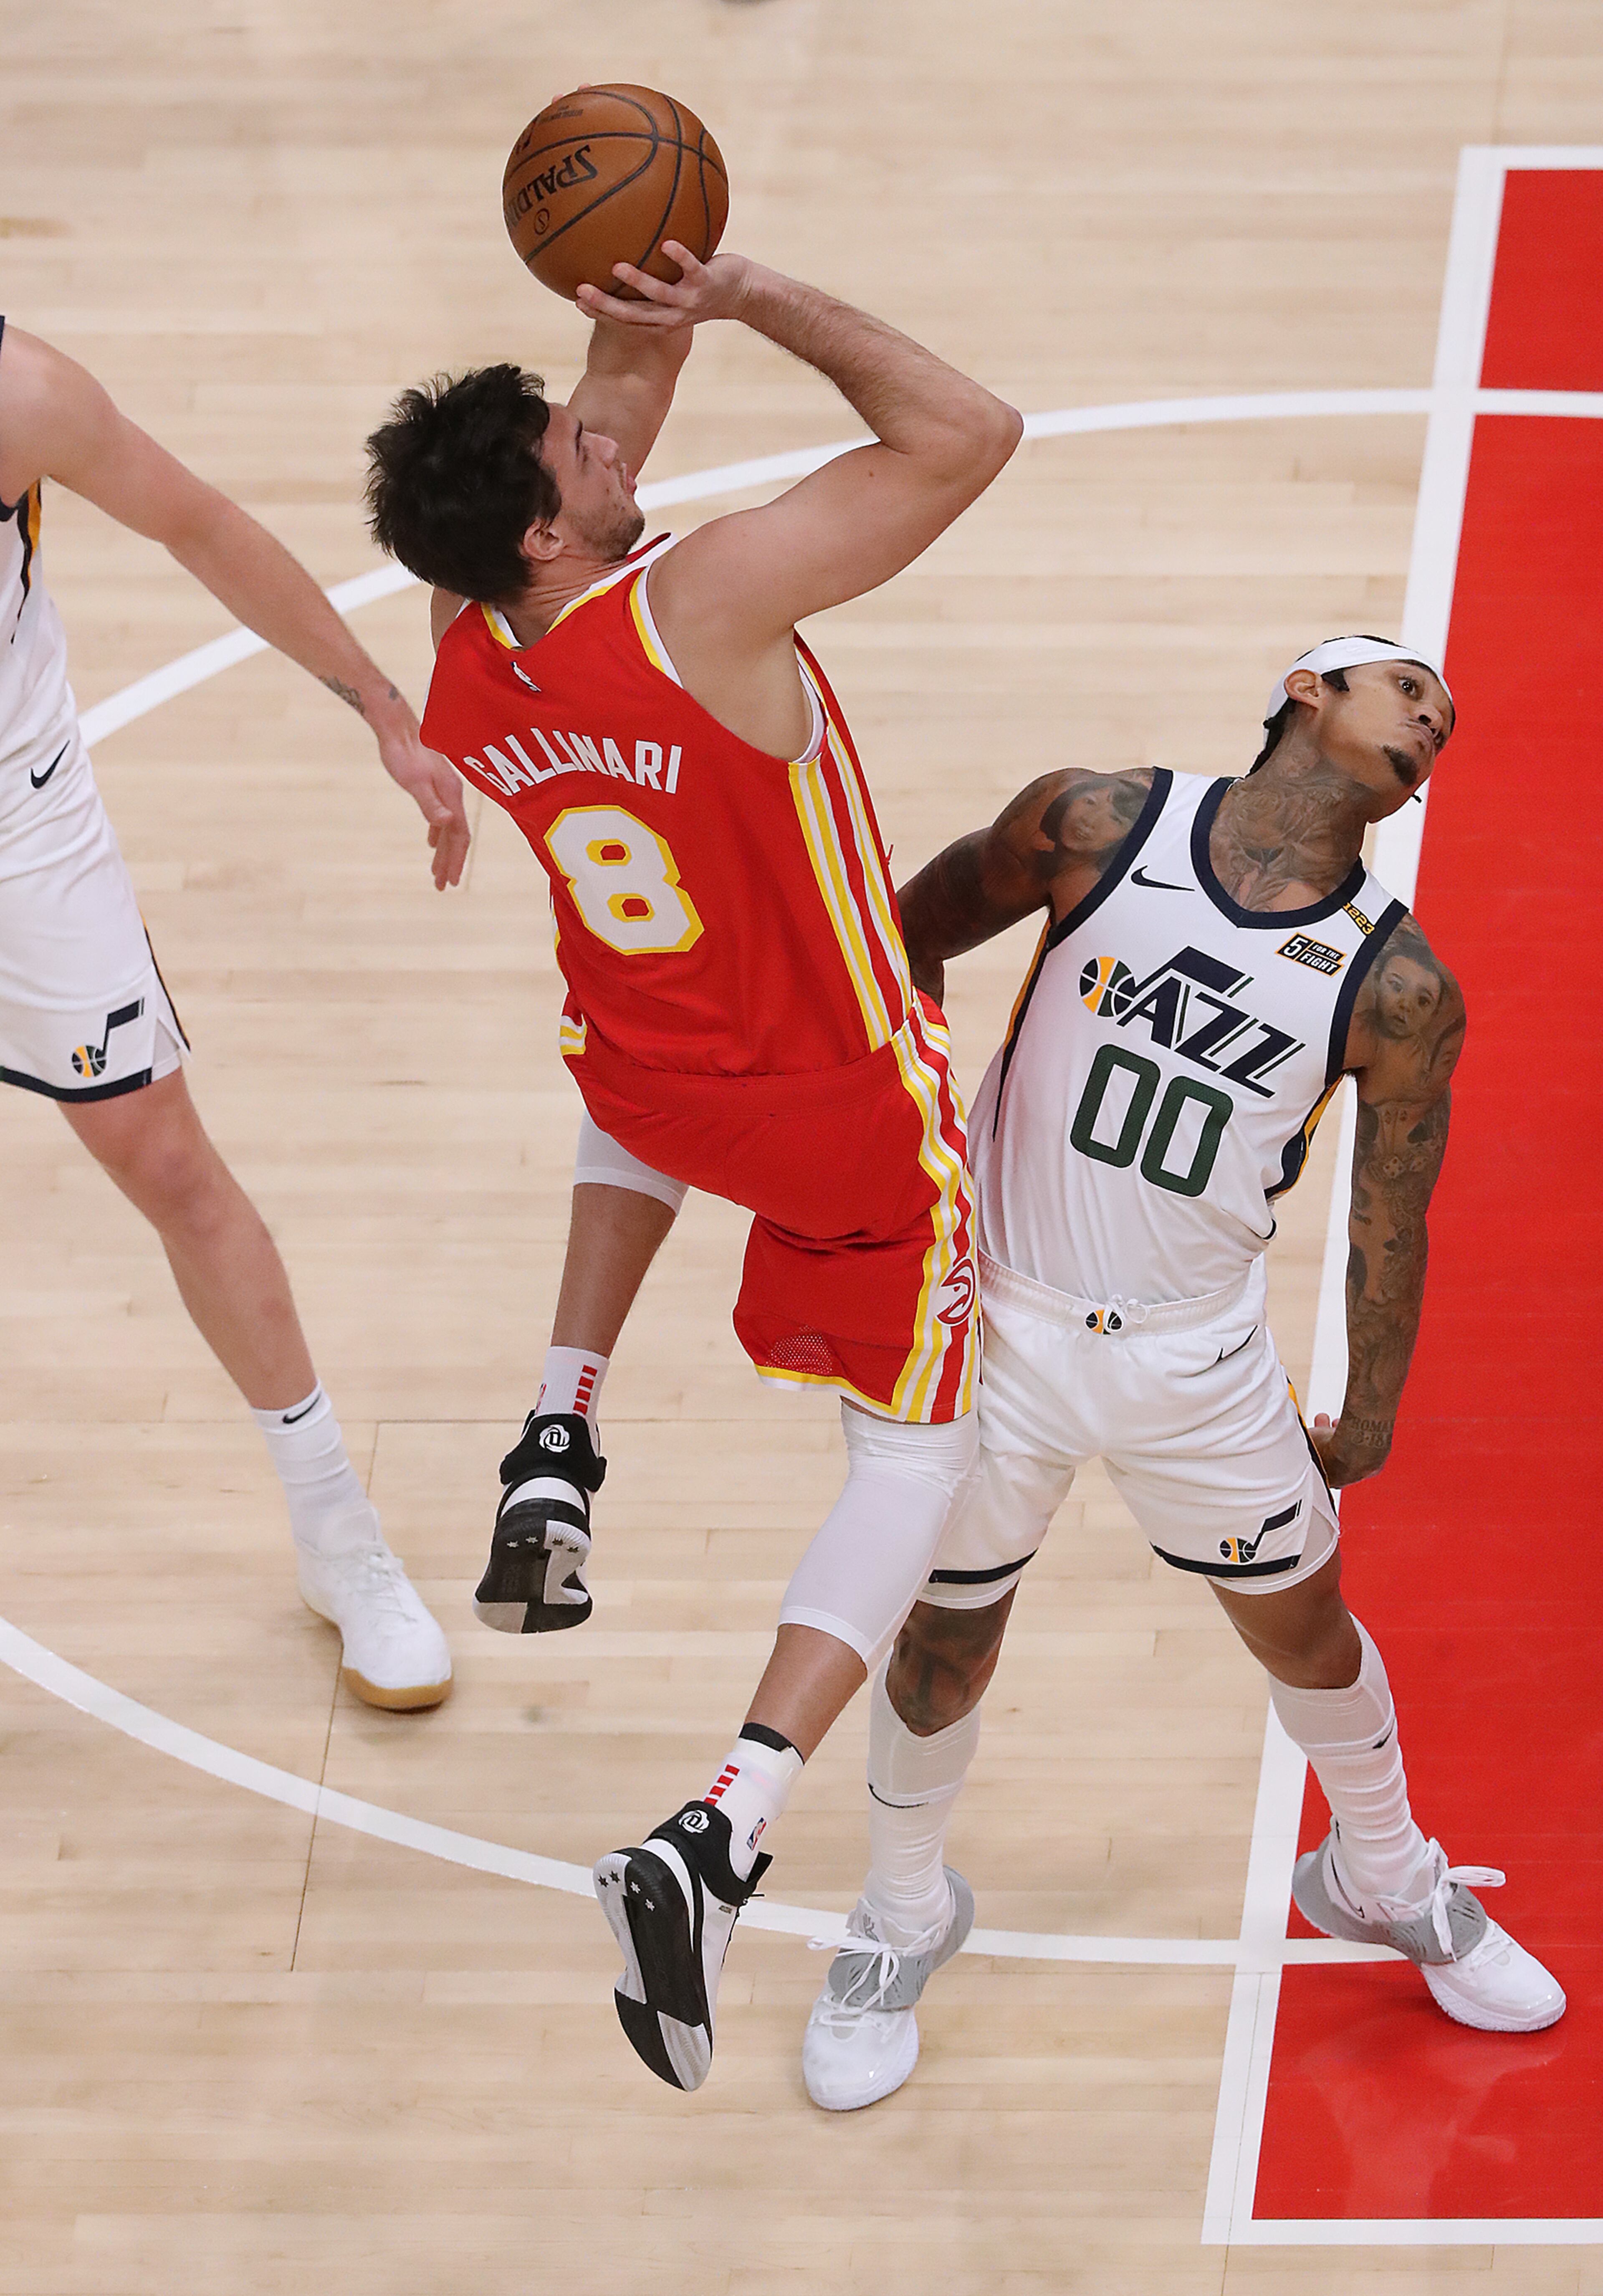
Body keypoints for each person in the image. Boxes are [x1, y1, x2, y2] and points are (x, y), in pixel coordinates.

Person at [364, 244, 1021, 2088]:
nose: (603, 431)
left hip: (645, 1073)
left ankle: (557, 1432)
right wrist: (759, 293)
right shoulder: (709, 605)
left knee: (633, 1064)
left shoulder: (469, 636)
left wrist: (646, 282)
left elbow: (610, 413)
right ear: (559, 526)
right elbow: (970, 433)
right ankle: (723, 1822)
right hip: (835, 1106)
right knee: (922, 1446)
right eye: (574, 447)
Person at [797, 636, 1565, 2110]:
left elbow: (1389, 1211)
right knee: (945, 1642)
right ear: (1306, 690)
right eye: (1404, 686)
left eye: (1447, 717)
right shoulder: (1100, 822)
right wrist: (879, 1138)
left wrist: (1378, 1410)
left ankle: (1385, 1875)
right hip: (999, 1322)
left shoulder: (1399, 983)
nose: (1432, 716)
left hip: (1196, 1357)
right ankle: (901, 1915)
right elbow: (903, 933)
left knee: (1309, 1631)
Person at [0, 321, 461, 1710]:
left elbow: (196, 523)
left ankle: (339, 1538)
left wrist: (384, 705)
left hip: (17, 822)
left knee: (168, 1162)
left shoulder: (21, 398)